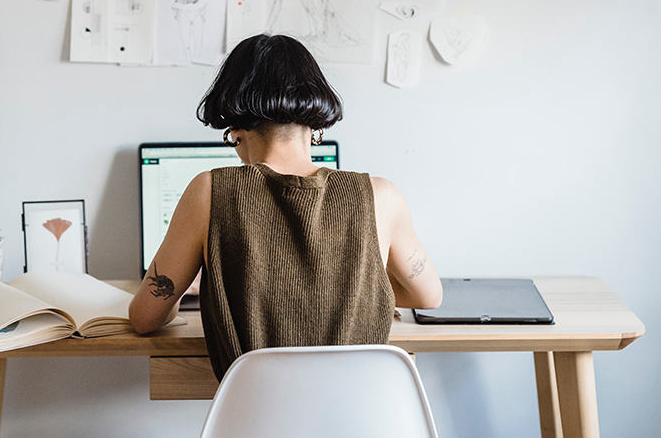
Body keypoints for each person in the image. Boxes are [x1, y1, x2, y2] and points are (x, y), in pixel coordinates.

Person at [129, 34, 442, 381]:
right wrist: (351, 292)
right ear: (316, 128)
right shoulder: (381, 196)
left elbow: (144, 319)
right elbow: (428, 296)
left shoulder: (208, 190)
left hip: (252, 425)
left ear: (234, 130)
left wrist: (194, 291)